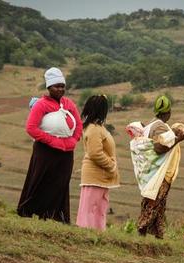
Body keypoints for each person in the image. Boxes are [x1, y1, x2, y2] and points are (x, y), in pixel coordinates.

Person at [17, 67, 83, 223]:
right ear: (49, 87)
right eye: (56, 86)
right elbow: (31, 128)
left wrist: (73, 140)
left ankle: (56, 215)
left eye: (62, 86)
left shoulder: (68, 103)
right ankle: (30, 211)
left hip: (66, 151)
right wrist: (53, 141)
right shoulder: (41, 105)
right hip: (45, 151)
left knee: (61, 182)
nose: (60, 89)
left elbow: (79, 124)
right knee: (41, 180)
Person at [133, 95, 184, 239]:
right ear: (168, 112)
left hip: (152, 172)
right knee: (153, 203)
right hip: (160, 173)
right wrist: (177, 140)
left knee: (159, 205)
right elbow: (159, 147)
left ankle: (159, 235)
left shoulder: (151, 124)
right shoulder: (160, 126)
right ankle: (141, 229)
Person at [76, 95, 120, 231]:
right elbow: (95, 153)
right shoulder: (94, 129)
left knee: (99, 208)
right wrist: (111, 165)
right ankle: (87, 233)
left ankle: (97, 234)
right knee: (91, 208)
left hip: (100, 177)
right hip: (95, 176)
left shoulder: (97, 127)